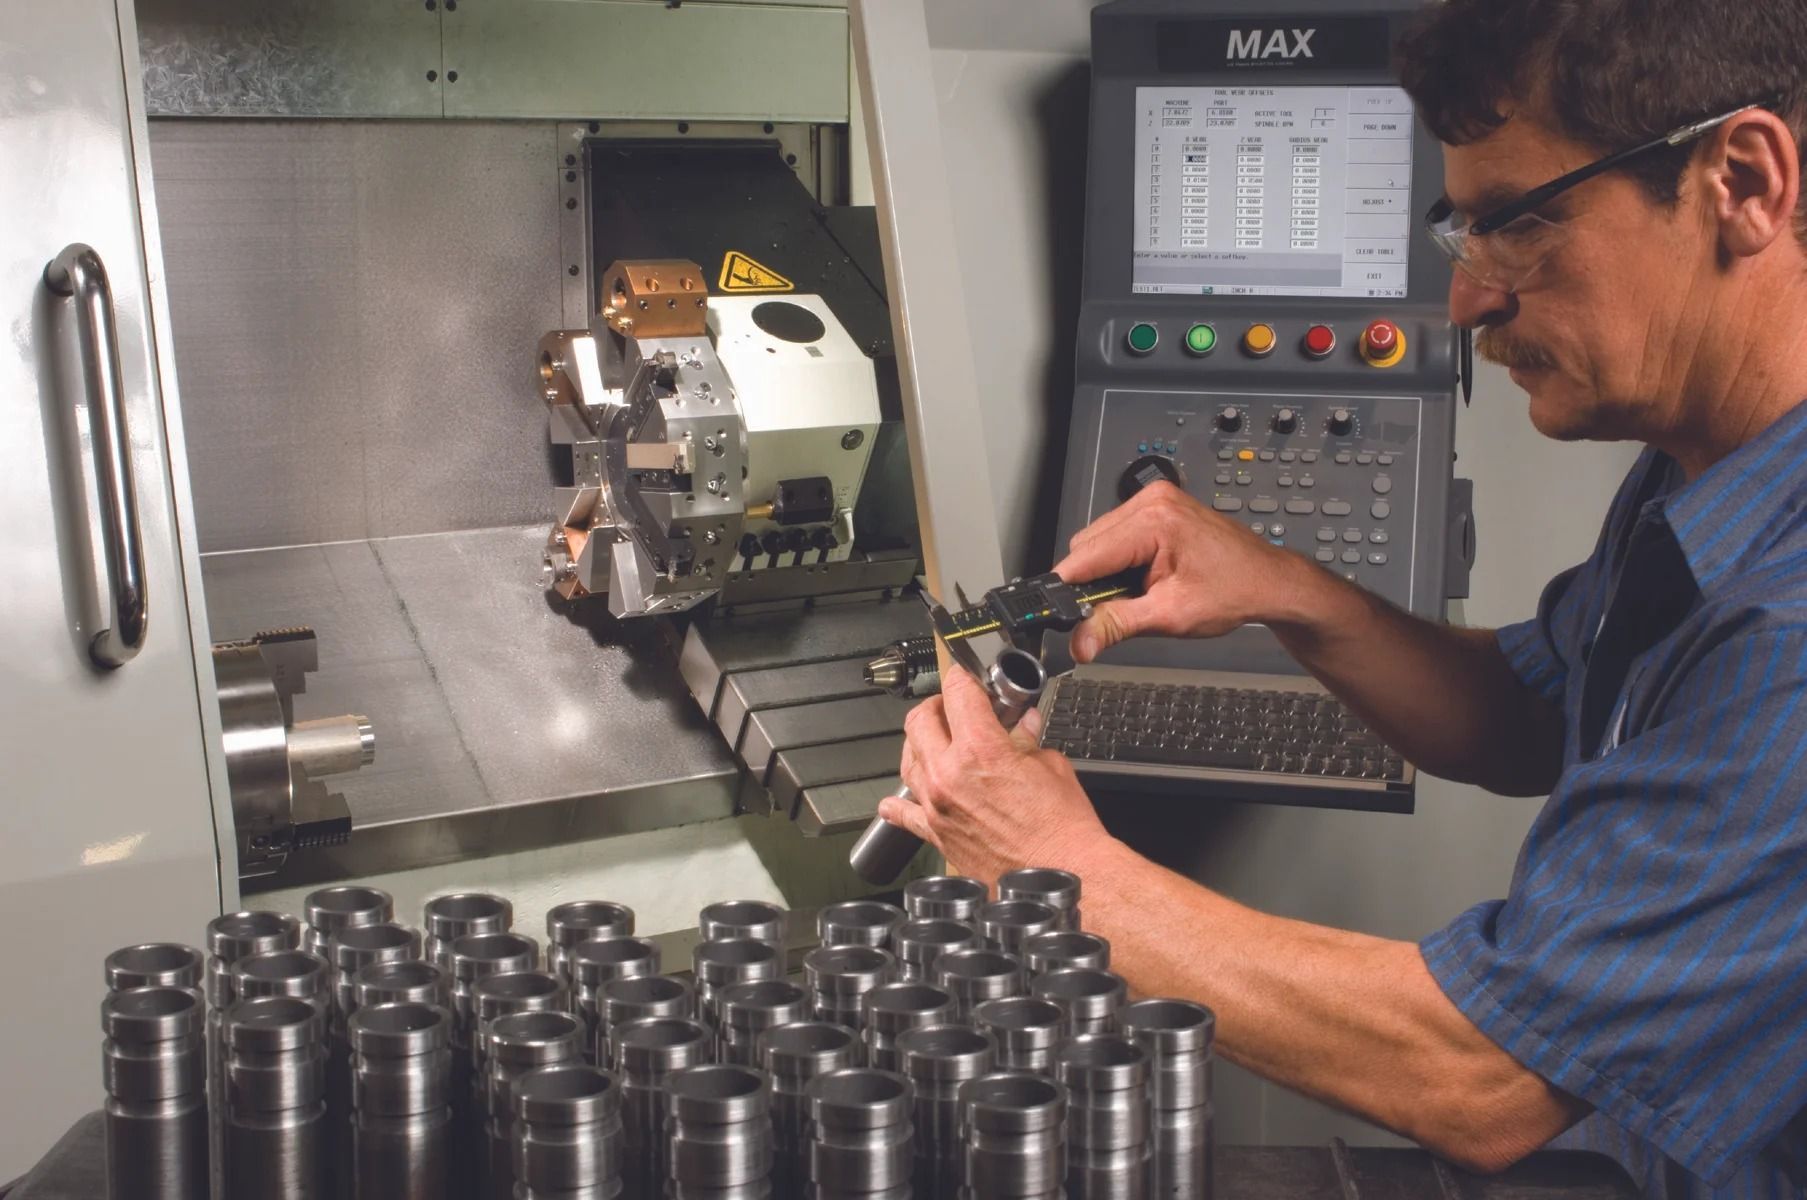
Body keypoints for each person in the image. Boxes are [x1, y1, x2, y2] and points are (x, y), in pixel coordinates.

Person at [877, 0, 1807, 1195]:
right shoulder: (1709, 467)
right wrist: (1286, 590)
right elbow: (1532, 712)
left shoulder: (1789, 627)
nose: (1466, 304)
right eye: (1457, 231)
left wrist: (1052, 867)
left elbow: (1487, 1076)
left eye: (1517, 226)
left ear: (1741, 179)